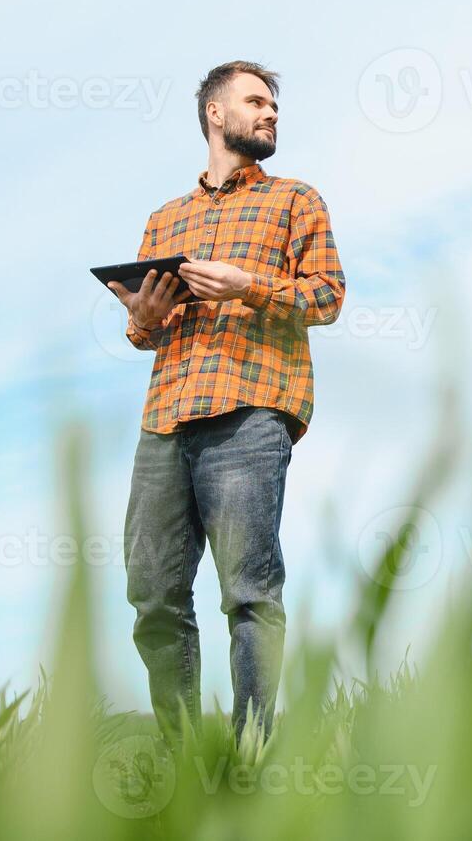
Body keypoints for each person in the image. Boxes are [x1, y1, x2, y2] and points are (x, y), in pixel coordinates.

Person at [106, 60, 345, 745]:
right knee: (152, 596)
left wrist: (248, 284)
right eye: (255, 101)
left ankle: (251, 754)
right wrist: (145, 317)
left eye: (273, 105)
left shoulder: (295, 201)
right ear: (216, 113)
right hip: (166, 420)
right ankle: (183, 759)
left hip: (251, 412)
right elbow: (143, 333)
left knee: (248, 592)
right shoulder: (164, 220)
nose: (270, 113)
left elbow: (326, 296)